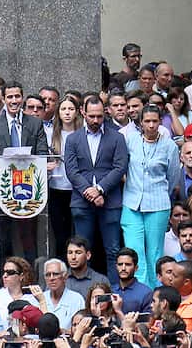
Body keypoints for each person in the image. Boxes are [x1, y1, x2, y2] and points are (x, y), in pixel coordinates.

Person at [63, 95, 129, 277]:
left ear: (105, 113)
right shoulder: (73, 139)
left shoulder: (117, 138)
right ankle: (84, 290)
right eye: (91, 116)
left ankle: (116, 289)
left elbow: (120, 167)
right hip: (81, 202)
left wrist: (100, 189)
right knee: (81, 251)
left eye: (99, 116)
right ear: (83, 112)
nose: (95, 120)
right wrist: (89, 192)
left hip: (110, 201)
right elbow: (71, 170)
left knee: (113, 249)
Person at [121, 105, 179, 287]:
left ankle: (155, 293)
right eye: (147, 121)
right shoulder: (130, 140)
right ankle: (138, 292)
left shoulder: (169, 145)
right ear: (140, 123)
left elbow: (173, 176)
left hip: (158, 203)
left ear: (161, 122)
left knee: (155, 252)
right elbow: (123, 166)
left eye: (155, 121)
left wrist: (161, 192)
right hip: (131, 202)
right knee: (134, 251)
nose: (151, 125)